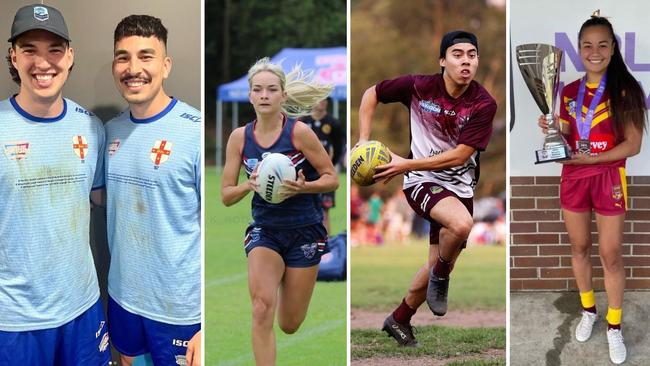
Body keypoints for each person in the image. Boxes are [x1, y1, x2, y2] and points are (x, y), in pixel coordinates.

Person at [356, 30, 496, 347]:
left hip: (459, 186)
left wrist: (404, 163)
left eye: (472, 55)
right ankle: (442, 277)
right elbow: (371, 93)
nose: (466, 61)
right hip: (422, 182)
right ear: (442, 61)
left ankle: (400, 318)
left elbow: (462, 155)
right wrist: (363, 141)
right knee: (461, 225)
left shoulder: (483, 103)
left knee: (435, 261)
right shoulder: (419, 87)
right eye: (458, 54)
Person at [0, 4, 109, 365]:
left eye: (54, 50)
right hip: (15, 322)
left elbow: (101, 198)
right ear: (13, 56)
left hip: (83, 309)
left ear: (70, 56)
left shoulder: (91, 127)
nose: (43, 63)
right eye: (30, 50)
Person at [538, 13, 645, 364]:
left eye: (602, 45)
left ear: (613, 49)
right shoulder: (568, 91)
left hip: (609, 178)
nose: (594, 51)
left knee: (610, 254)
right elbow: (567, 141)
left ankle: (614, 326)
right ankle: (589, 310)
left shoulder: (626, 90)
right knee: (579, 246)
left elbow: (633, 145)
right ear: (579, 50)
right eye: (587, 45)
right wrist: (551, 130)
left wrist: (593, 162)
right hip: (573, 177)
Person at [221, 57, 338, 366]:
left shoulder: (300, 133)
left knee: (289, 323)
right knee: (261, 308)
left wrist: (303, 187)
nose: (264, 95)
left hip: (305, 230)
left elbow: (332, 178)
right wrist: (250, 186)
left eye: (271, 90)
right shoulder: (239, 138)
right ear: (249, 95)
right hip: (266, 231)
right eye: (257, 90)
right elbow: (225, 195)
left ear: (283, 96)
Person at [104, 15, 201, 366]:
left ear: (166, 64)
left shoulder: (195, 132)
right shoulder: (109, 131)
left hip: (181, 311)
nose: (133, 68)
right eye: (123, 57)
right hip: (123, 299)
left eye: (146, 56)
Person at [301, 98, 343, 232]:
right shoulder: (303, 122)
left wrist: (329, 166)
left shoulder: (333, 123)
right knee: (303, 210)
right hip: (304, 173)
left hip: (324, 174)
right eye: (319, 99)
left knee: (325, 211)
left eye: (325, 100)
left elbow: (338, 148)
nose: (322, 102)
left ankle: (327, 247)